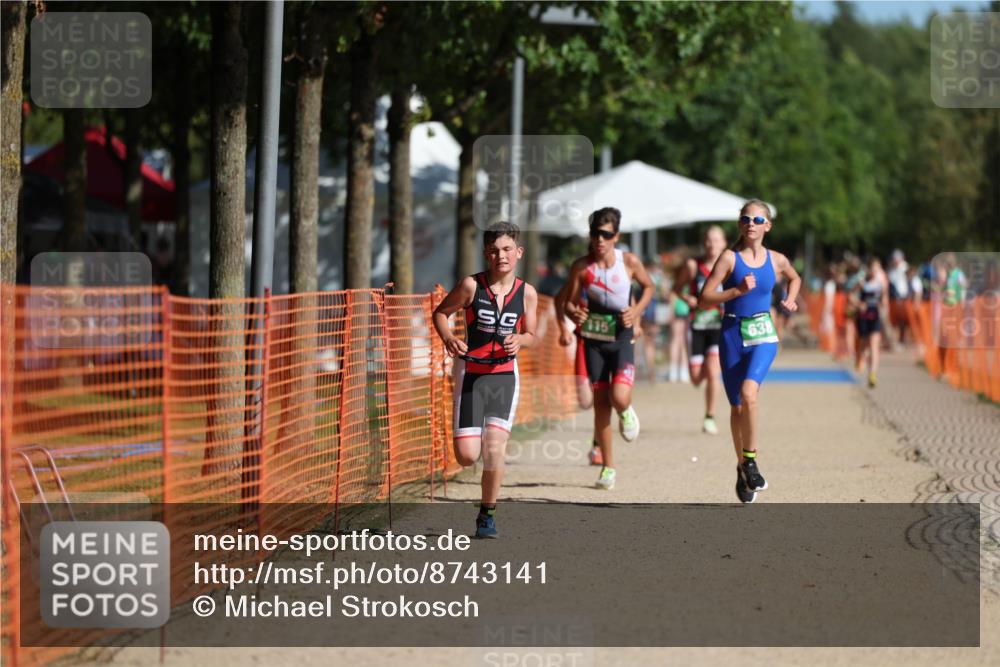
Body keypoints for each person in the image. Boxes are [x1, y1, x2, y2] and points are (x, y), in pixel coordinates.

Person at [432, 222, 538, 538]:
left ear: (518, 253)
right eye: (493, 250)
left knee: (494, 447)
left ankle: (487, 515)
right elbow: (440, 313)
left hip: (504, 375)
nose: (500, 256)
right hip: (471, 374)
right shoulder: (470, 286)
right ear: (485, 254)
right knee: (466, 455)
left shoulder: (527, 292)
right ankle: (476, 433)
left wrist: (520, 340)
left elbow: (531, 334)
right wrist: (449, 337)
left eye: (506, 249)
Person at [698, 200, 801, 503]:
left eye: (758, 219)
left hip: (763, 334)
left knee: (749, 393)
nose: (752, 223)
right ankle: (742, 467)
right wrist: (735, 292)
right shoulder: (729, 259)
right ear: (740, 224)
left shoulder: (777, 259)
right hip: (732, 334)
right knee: (736, 408)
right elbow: (704, 298)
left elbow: (795, 278)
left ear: (767, 226)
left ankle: (751, 460)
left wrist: (791, 298)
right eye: (746, 218)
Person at [559, 207, 654, 490]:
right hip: (594, 340)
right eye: (595, 234)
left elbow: (649, 288)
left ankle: (626, 410)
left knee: (619, 396)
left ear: (616, 236)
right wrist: (575, 313)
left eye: (606, 234)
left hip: (622, 337)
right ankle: (608, 468)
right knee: (600, 408)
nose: (599, 240)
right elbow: (568, 302)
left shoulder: (629, 262)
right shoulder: (581, 267)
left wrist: (635, 312)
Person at [673, 225, 727, 435]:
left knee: (714, 373)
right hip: (697, 326)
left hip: (718, 326)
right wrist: (689, 299)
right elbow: (676, 289)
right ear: (704, 243)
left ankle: (710, 416)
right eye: (708, 240)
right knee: (696, 378)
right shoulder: (693, 266)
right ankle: (704, 368)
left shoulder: (729, 266)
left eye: (716, 240)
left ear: (723, 243)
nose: (712, 244)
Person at [851, 257, 888, 388]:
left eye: (877, 268)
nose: (875, 271)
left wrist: (884, 305)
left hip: (875, 316)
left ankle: (872, 375)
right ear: (869, 269)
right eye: (873, 268)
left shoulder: (881, 283)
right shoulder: (862, 282)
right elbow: (850, 296)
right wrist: (859, 304)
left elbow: (884, 299)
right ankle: (859, 357)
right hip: (863, 317)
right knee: (863, 344)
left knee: (874, 345)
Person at [639, 258, 668, 383]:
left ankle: (645, 369)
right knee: (649, 341)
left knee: (642, 339)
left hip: (643, 307)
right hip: (651, 308)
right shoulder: (657, 277)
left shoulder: (642, 274)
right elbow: (665, 294)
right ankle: (649, 370)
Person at [667, 259, 691, 383]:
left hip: (687, 314)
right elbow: (672, 298)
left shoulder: (689, 283)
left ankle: (683, 369)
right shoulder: (677, 283)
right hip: (678, 314)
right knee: (676, 341)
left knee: (683, 342)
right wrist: (671, 314)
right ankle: (673, 369)